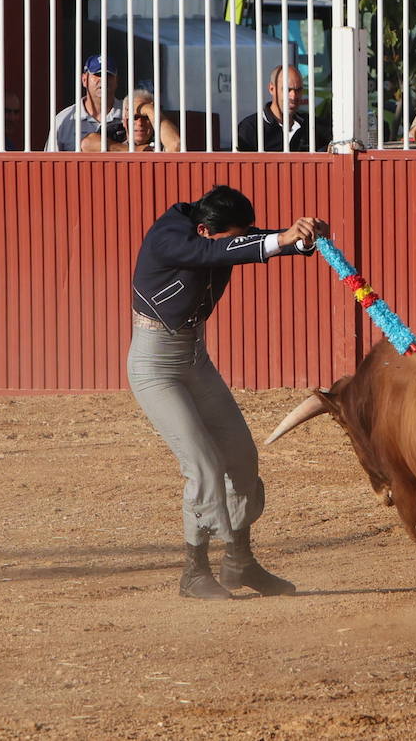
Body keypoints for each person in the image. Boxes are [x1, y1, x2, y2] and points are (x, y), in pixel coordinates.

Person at [128, 184, 328, 599]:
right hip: (154, 365)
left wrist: (302, 240)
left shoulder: (211, 232)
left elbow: (236, 245)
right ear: (203, 229)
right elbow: (217, 254)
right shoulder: (169, 239)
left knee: (240, 455)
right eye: (231, 236)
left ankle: (240, 562)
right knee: (202, 464)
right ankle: (193, 572)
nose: (237, 243)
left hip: (195, 358)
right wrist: (279, 240)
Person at [235, 65, 319, 152]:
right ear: (271, 89)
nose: (293, 96)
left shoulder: (310, 125)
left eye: (298, 90)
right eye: (287, 90)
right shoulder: (250, 128)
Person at [50, 55, 124, 152]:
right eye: (98, 74)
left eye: (108, 75)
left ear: (116, 80)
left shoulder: (131, 115)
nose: (103, 80)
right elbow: (50, 162)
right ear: (84, 79)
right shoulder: (64, 120)